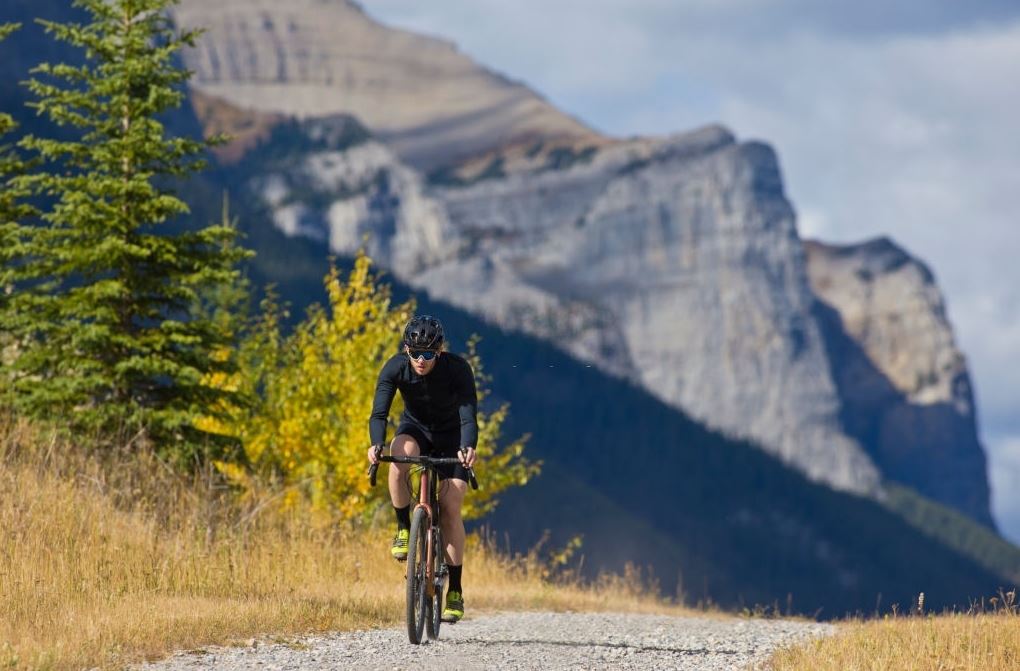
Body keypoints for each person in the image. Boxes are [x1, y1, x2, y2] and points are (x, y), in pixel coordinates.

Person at [367, 315, 477, 623]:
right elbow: (379, 414)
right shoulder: (395, 367)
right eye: (415, 352)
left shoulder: (458, 369)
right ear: (407, 349)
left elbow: (469, 417)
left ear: (439, 351)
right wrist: (376, 445)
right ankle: (404, 527)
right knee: (398, 457)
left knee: (451, 507)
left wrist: (468, 447)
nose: (421, 360)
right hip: (415, 430)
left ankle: (455, 591)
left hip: (452, 437)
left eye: (428, 353)